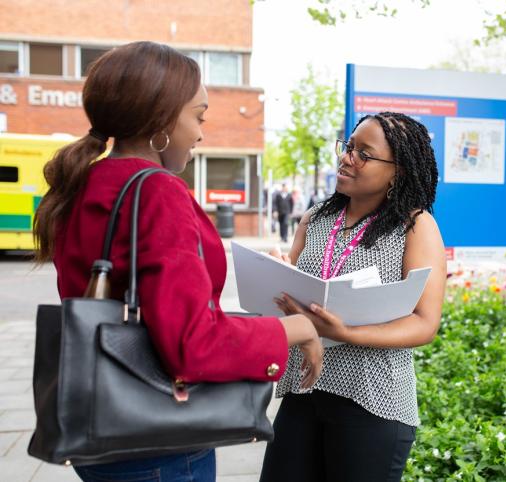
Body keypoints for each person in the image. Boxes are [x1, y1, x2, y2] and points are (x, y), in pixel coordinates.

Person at [32, 41, 322, 482]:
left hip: (98, 418)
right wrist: (296, 329)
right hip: (154, 438)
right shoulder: (157, 192)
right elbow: (191, 344)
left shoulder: (86, 182)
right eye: (198, 115)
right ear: (161, 121)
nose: (201, 132)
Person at [260, 112, 447, 482]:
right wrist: (275, 277)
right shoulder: (315, 218)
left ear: (399, 171)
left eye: (364, 153)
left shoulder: (415, 226)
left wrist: (346, 332)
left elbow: (425, 323)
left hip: (372, 400)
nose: (347, 158)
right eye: (348, 147)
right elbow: (290, 297)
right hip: (303, 389)